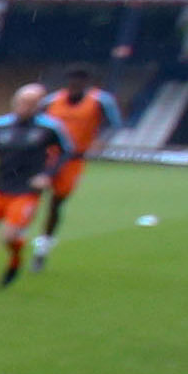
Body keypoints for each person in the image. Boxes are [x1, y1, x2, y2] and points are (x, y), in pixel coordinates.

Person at [0, 87, 68, 289]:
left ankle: (15, 260)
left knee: (9, 237)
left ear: (38, 106)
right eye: (22, 102)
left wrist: (47, 175)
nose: (25, 107)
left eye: (31, 103)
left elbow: (67, 151)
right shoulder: (1, 124)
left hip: (26, 190)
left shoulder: (50, 127)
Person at [40, 68, 124, 260]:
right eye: (72, 81)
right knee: (29, 194)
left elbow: (115, 123)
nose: (75, 85)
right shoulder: (52, 100)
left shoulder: (101, 100)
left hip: (73, 159)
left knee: (56, 202)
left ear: (87, 83)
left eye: (80, 81)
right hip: (47, 156)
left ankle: (43, 246)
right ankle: (17, 232)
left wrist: (102, 140)